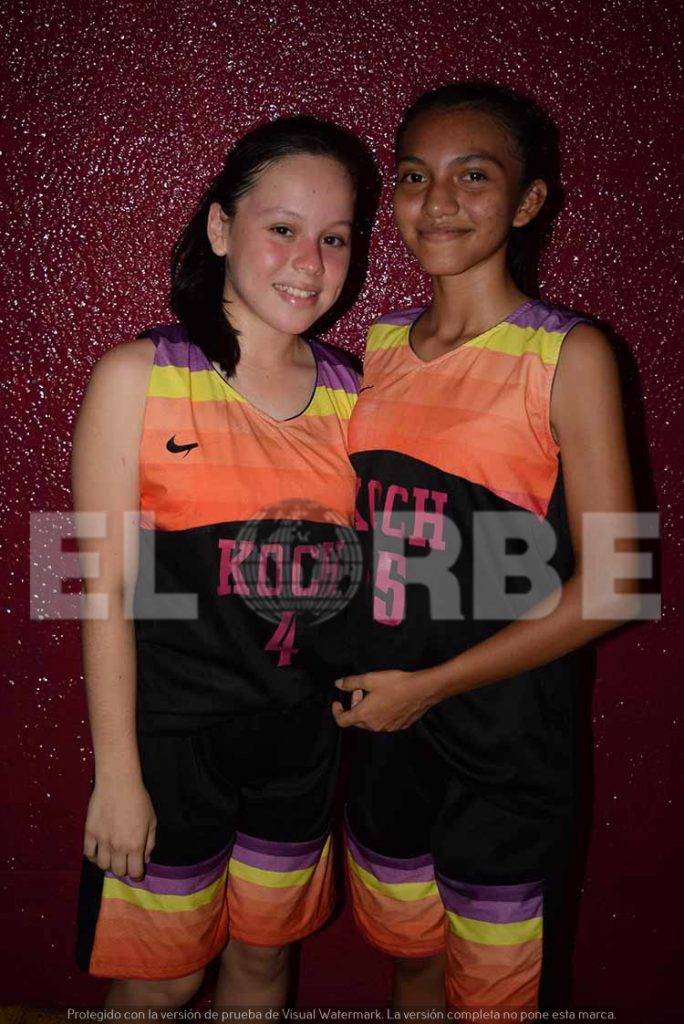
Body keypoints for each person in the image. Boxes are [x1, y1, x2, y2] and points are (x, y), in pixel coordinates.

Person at [332, 83, 640, 1012]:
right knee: (412, 965)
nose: (437, 202)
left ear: (528, 201)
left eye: (473, 176)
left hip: (505, 748)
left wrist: (429, 687)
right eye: (413, 176)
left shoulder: (570, 355)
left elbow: (618, 584)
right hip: (383, 736)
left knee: (496, 1002)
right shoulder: (374, 351)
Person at [73, 116, 365, 1009]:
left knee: (263, 966)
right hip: (171, 746)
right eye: (282, 228)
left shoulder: (360, 396)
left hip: (301, 745)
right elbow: (92, 586)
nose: (309, 263)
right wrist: (117, 775)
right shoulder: (136, 376)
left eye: (334, 238)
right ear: (219, 228)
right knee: (164, 982)